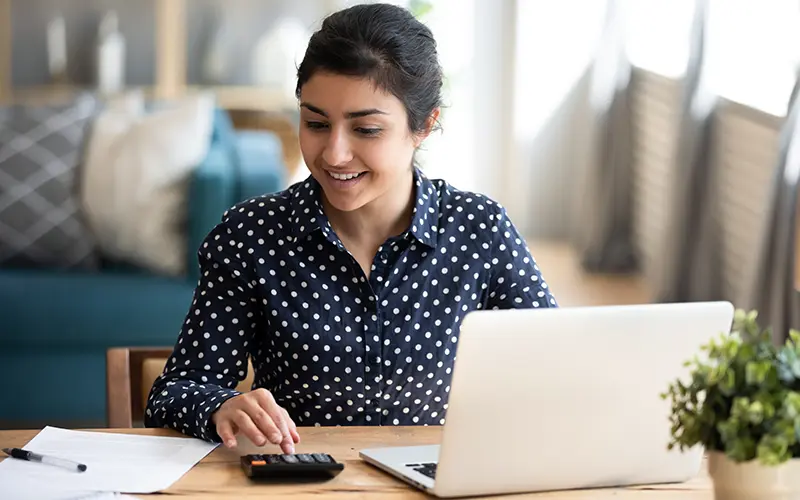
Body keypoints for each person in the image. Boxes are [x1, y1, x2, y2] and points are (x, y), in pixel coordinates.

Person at [145, 2, 557, 455]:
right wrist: (222, 406)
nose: (335, 154)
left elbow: (558, 367)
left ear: (424, 126)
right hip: (302, 483)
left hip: (439, 479)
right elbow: (174, 394)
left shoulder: (480, 230)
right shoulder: (251, 235)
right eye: (316, 123)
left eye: (366, 129)